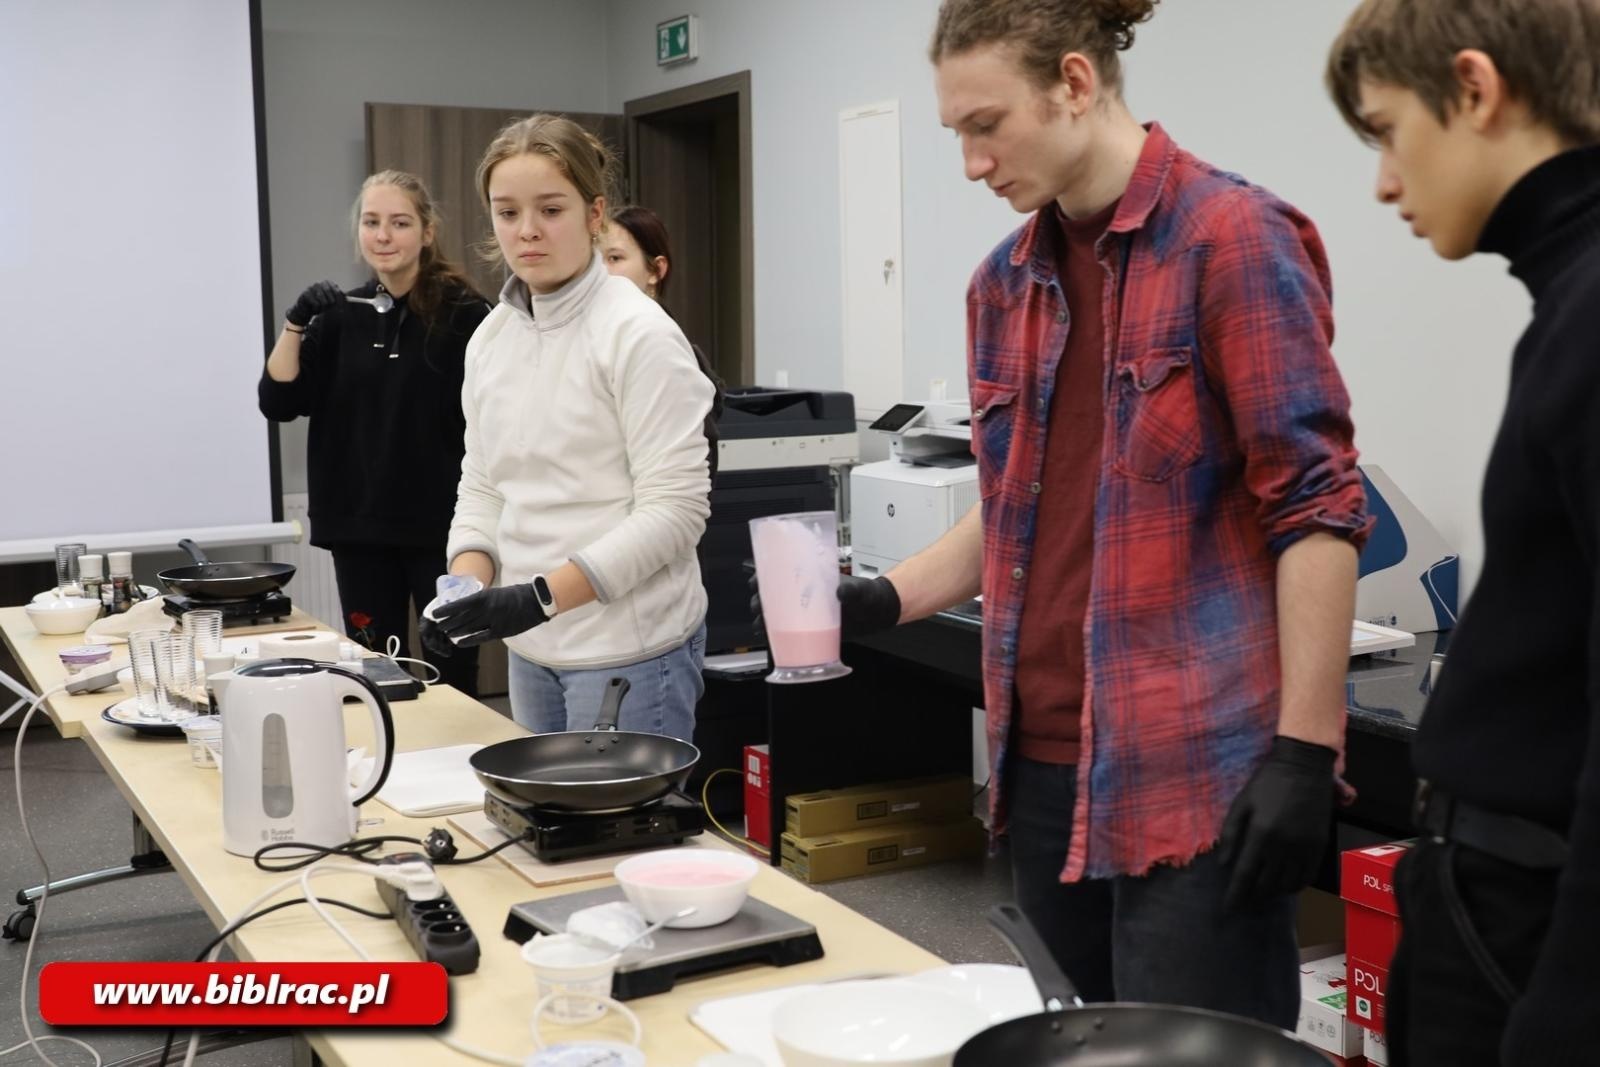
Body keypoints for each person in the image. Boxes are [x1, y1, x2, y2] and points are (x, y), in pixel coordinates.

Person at [760, 0, 1371, 1026]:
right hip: (1038, 754)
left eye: (984, 124)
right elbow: (1016, 509)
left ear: (1075, 84)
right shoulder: (1004, 285)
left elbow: (1314, 507)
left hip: (1191, 760)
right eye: (956, 130)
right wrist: (875, 597)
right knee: (1070, 1038)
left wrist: (1306, 751)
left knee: (1189, 1048)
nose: (970, 161)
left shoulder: (1232, 240)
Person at [1326, 3, 1600, 1063]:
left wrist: (1563, 1022)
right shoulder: (1563, 302)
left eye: (1387, 132)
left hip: (1530, 921)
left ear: (1476, 90)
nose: (1385, 182)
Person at [421, 116, 714, 742]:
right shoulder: (491, 339)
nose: (526, 231)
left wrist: (538, 596)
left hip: (631, 653)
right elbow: (484, 484)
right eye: (507, 212)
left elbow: (676, 511)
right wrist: (465, 588)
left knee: (619, 839)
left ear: (594, 213)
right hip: (533, 650)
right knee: (545, 834)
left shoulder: (639, 334)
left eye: (550, 209)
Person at [259, 170, 489, 695]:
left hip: (445, 531)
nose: (383, 235)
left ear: (427, 233)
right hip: (360, 530)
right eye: (372, 222)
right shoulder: (338, 316)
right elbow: (277, 401)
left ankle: (455, 766)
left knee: (451, 673)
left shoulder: (469, 316)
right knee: (377, 673)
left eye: (399, 222)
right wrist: (295, 323)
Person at [601, 205, 725, 479]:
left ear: (656, 270)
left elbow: (691, 470)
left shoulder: (663, 347)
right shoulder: (596, 339)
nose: (602, 272)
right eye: (595, 261)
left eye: (615, 258)